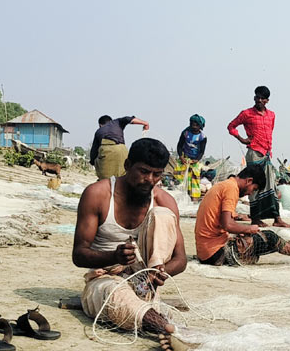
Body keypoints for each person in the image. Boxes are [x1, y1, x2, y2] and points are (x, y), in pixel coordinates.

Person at [73, 138, 188, 349]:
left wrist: (160, 272)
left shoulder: (164, 200)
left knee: (163, 214)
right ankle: (164, 327)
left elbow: (181, 259)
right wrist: (113, 257)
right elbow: (78, 255)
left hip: (145, 282)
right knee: (115, 293)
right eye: (144, 171)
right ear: (127, 166)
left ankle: (164, 326)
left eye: (157, 174)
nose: (150, 179)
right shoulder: (98, 194)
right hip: (105, 279)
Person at [195, 165, 290, 266]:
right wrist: (248, 229)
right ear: (249, 181)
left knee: (253, 243)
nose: (251, 193)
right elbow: (227, 224)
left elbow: (224, 222)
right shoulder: (231, 189)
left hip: (206, 252)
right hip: (215, 253)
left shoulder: (225, 185)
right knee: (270, 237)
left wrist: (241, 229)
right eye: (254, 189)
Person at [227, 86, 290, 227]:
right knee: (253, 185)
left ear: (267, 100)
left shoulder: (271, 115)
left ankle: (277, 218)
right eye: (257, 97)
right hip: (254, 154)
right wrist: (242, 139)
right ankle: (255, 218)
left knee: (270, 186)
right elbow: (231, 126)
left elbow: (270, 133)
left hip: (267, 154)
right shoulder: (246, 113)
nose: (259, 100)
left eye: (262, 98)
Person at [90, 115, 150, 180]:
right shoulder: (117, 122)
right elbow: (129, 119)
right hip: (121, 150)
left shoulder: (98, 131)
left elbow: (93, 153)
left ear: (100, 125)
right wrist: (145, 123)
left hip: (106, 151)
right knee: (124, 175)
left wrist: (93, 162)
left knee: (105, 180)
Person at [174, 114, 207, 201]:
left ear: (200, 126)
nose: (194, 126)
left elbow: (201, 151)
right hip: (184, 158)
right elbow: (179, 146)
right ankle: (179, 197)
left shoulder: (202, 137)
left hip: (194, 160)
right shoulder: (185, 133)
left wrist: (196, 160)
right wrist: (181, 156)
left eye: (196, 125)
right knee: (179, 177)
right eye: (192, 124)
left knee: (195, 178)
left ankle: (194, 199)